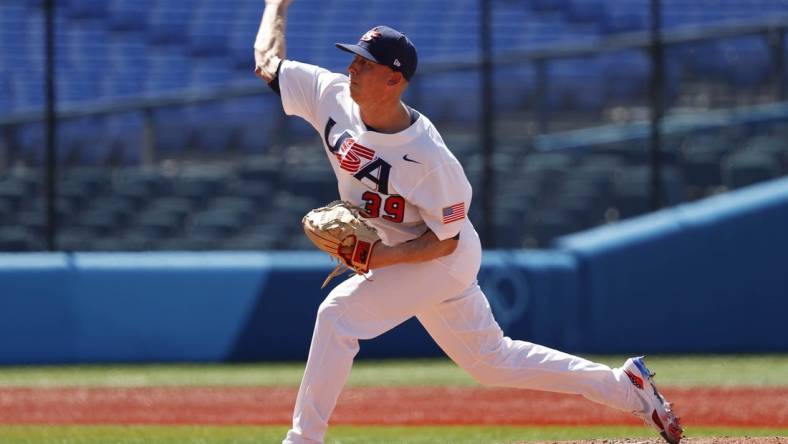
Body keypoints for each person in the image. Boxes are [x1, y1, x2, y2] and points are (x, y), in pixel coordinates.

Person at [253, 1, 684, 443]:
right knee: (493, 362)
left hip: (442, 256)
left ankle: (303, 439)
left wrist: (378, 258)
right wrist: (276, 5)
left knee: (337, 316)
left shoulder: (429, 157)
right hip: (408, 254)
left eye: (364, 63)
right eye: (354, 59)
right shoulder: (330, 94)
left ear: (394, 79)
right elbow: (267, 63)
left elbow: (445, 242)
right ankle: (628, 388)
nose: (352, 69)